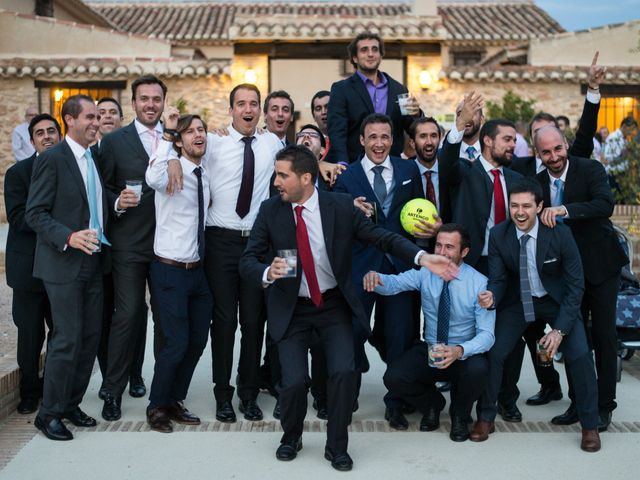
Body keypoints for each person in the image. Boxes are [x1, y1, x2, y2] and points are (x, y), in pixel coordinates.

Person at [239, 145, 458, 470]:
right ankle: (292, 436)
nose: (276, 182)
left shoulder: (339, 206)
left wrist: (422, 257)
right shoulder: (271, 210)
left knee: (343, 371)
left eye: (282, 175)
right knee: (295, 381)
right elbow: (247, 259)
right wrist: (267, 272)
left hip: (332, 306)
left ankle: (336, 445)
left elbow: (380, 237)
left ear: (306, 177)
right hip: (291, 309)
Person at [474, 178, 601, 453]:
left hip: (556, 302)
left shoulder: (559, 233)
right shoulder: (498, 234)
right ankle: (486, 417)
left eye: (527, 206)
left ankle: (590, 424)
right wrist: (491, 296)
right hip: (519, 302)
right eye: (514, 205)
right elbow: (498, 279)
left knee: (579, 353)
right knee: (494, 351)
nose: (519, 212)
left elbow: (575, 285)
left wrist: (560, 330)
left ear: (540, 206)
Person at [26, 95, 110, 441]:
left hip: (94, 261)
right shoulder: (52, 159)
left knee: (89, 339)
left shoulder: (93, 158)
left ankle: (70, 403)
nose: (96, 122)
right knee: (66, 339)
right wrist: (69, 237)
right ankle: (48, 414)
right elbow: (35, 213)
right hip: (63, 263)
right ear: (70, 120)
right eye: (90, 116)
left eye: (97, 117)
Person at [534, 125, 628, 432]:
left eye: (558, 149)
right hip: (565, 275)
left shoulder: (590, 169)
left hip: (601, 267)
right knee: (573, 338)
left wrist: (564, 210)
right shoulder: (536, 183)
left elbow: (605, 205)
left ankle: (604, 406)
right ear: (539, 154)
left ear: (566, 144)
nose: (554, 157)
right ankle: (579, 402)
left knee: (603, 336)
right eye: (546, 152)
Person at [333, 113, 423, 429]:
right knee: (353, 334)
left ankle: (396, 403)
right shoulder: (347, 177)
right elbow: (333, 222)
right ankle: (348, 396)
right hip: (360, 267)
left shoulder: (410, 170)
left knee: (400, 335)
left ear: (393, 140)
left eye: (385, 137)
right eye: (373, 137)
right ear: (362, 140)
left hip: (399, 269)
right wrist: (347, 209)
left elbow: (419, 216)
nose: (379, 143)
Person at [366, 223, 494, 442]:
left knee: (479, 370)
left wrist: (459, 350)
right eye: (439, 246)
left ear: (464, 252)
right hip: (431, 349)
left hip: (461, 353)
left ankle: (459, 416)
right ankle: (432, 405)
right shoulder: (426, 273)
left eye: (449, 247)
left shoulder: (479, 283)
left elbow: (487, 335)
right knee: (394, 377)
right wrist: (374, 278)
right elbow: (394, 284)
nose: (442, 253)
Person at [97, 75, 167, 421]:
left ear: (163, 103)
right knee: (127, 315)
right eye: (144, 99)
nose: (151, 104)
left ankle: (165, 393)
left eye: (156, 99)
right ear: (134, 102)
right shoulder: (113, 142)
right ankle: (112, 391)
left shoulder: (175, 139)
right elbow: (101, 189)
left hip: (169, 244)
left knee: (167, 320)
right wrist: (116, 201)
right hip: (129, 244)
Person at [143, 112, 213, 433]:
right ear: (179, 139)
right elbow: (152, 179)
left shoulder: (204, 174)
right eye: (190, 131)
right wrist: (169, 151)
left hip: (197, 272)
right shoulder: (169, 168)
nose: (198, 135)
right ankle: (157, 405)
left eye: (202, 130)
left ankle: (175, 399)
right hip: (169, 269)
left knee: (198, 339)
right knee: (176, 341)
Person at [4, 113, 60, 414]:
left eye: (52, 131)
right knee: (29, 335)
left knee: (60, 332)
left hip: (60, 268)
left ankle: (52, 388)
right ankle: (29, 391)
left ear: (59, 135)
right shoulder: (17, 175)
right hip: (27, 269)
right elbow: (17, 218)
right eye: (40, 133)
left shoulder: (70, 170)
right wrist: (53, 220)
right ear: (32, 140)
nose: (47, 136)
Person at [326, 31, 422, 164]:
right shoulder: (341, 89)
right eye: (364, 50)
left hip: (392, 165)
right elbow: (337, 132)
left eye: (375, 49)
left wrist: (416, 114)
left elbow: (413, 128)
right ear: (355, 58)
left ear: (380, 55)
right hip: (356, 166)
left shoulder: (399, 90)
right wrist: (342, 163)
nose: (370, 54)